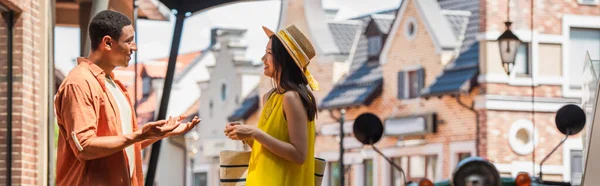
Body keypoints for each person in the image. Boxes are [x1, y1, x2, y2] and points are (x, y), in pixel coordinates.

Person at [54, 10, 201, 186]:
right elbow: (85, 147)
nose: (135, 47)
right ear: (107, 42)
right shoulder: (79, 83)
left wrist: (160, 134)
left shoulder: (114, 86)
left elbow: (124, 145)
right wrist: (138, 135)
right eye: (129, 41)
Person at [224, 25, 319, 186]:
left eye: (269, 53)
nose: (263, 59)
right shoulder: (270, 97)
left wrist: (254, 133)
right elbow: (272, 147)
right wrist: (247, 135)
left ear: (284, 59)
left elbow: (299, 154)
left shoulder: (292, 98)